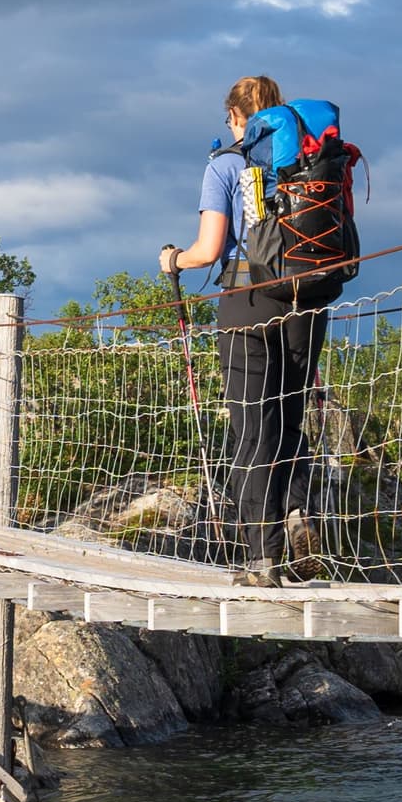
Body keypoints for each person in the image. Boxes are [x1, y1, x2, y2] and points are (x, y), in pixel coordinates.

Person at [161, 73, 357, 575]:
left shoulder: (225, 164)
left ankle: (262, 556)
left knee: (253, 427)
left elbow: (208, 250)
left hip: (247, 298)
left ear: (234, 116)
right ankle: (297, 511)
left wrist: (174, 259)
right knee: (289, 417)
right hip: (307, 296)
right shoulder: (305, 162)